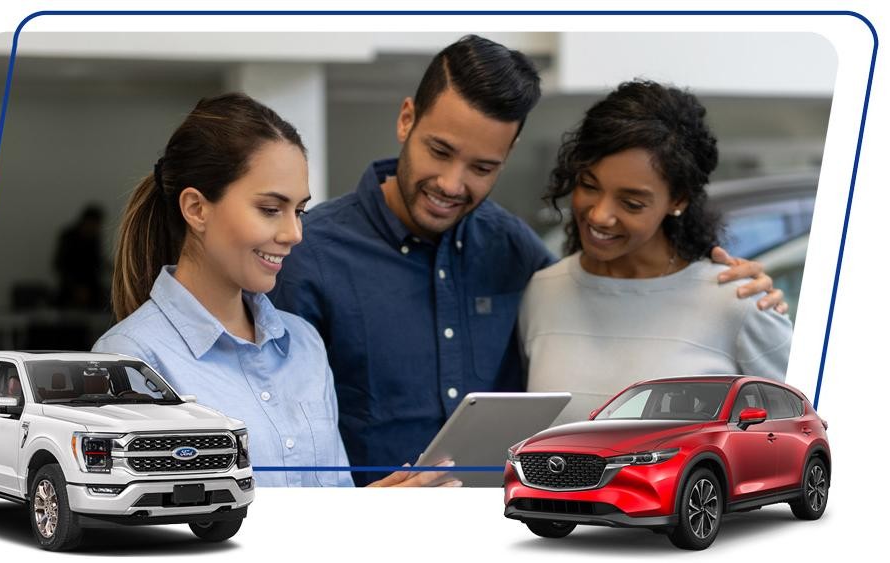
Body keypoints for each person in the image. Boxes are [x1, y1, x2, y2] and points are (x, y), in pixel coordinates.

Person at [269, 36, 784, 486]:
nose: (452, 184)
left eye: (483, 166)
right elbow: (277, 438)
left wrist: (735, 290)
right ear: (406, 120)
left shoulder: (518, 257)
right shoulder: (305, 256)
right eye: (440, 151)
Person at [92, 93, 453, 487]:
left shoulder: (305, 343)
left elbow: (332, 511)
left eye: (298, 211)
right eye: (270, 209)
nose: (294, 234)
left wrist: (370, 509)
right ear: (196, 208)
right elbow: (165, 535)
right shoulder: (129, 361)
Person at [519, 80, 794, 423]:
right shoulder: (543, 291)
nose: (600, 215)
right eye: (589, 186)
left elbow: (809, 432)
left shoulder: (736, 302)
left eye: (632, 203)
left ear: (677, 200)